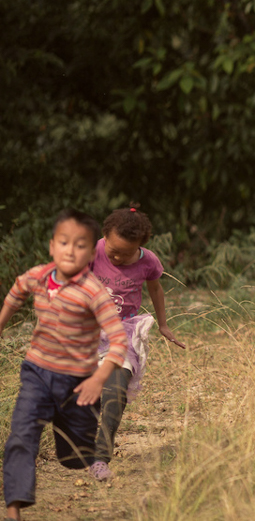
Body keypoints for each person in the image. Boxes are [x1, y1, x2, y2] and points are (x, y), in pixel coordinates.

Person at [0, 209, 128, 520]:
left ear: (92, 253)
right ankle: (14, 506)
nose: (71, 250)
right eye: (64, 242)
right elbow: (16, 292)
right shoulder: (38, 276)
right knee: (22, 433)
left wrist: (99, 378)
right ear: (52, 246)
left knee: (74, 457)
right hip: (37, 373)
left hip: (79, 382)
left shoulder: (93, 291)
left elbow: (119, 341)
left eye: (81, 244)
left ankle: (74, 441)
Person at [88, 206, 185, 480]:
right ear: (104, 236)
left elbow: (155, 288)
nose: (117, 257)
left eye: (125, 253)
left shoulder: (149, 261)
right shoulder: (91, 252)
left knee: (116, 392)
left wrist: (164, 324)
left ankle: (99, 459)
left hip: (122, 333)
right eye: (113, 251)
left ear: (140, 247)